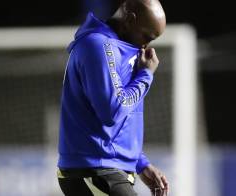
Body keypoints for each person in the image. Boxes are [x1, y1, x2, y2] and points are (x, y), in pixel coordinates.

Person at [56, 0, 169, 195]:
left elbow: (119, 121)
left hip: (106, 170)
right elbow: (113, 110)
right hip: (94, 170)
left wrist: (139, 163)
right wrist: (146, 76)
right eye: (146, 36)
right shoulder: (99, 46)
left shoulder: (117, 47)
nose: (146, 44)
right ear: (130, 19)